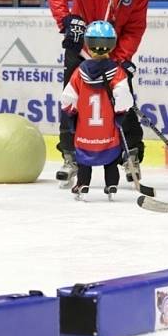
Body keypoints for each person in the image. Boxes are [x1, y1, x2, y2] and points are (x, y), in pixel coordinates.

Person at [48, 0, 149, 189]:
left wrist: (121, 59)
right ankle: (71, 156)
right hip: (80, 49)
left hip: (114, 55)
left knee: (124, 103)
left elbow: (135, 28)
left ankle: (131, 153)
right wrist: (67, 21)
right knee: (71, 103)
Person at [60, 21, 133, 201]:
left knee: (84, 161)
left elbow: (67, 100)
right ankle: (111, 185)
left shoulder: (79, 72)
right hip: (107, 131)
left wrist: (72, 117)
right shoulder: (117, 72)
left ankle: (83, 184)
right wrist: (120, 114)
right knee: (110, 160)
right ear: (112, 45)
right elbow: (124, 98)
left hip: (85, 131)